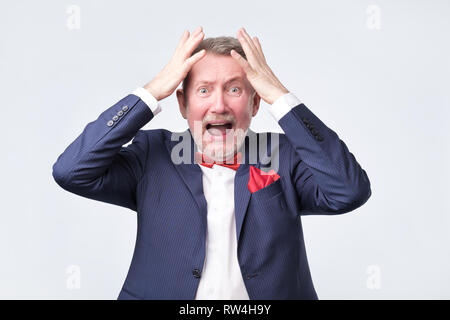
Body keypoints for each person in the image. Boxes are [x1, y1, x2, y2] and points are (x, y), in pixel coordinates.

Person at [52, 26, 371, 300]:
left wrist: (279, 96)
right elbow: (72, 170)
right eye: (204, 90)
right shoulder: (152, 154)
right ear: (183, 103)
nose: (219, 105)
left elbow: (349, 191)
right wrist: (152, 91)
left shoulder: (281, 154)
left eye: (234, 89)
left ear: (255, 102)